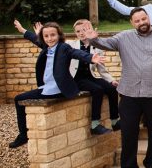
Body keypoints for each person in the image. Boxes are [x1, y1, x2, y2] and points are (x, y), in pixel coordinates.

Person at [87, 8, 152, 168]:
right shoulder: (123, 37)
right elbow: (103, 43)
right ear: (132, 23)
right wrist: (93, 38)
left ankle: (151, 164)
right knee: (129, 132)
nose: (141, 23)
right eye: (137, 21)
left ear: (149, 18)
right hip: (129, 93)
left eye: (144, 19)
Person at [8, 21, 105, 149]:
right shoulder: (46, 47)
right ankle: (23, 134)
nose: (50, 39)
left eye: (53, 35)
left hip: (59, 89)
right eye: (46, 36)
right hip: (47, 88)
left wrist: (91, 58)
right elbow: (36, 40)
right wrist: (23, 31)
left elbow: (75, 53)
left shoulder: (63, 48)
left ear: (59, 35)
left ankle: (23, 135)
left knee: (19, 99)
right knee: (18, 99)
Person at [70, 19, 119, 135]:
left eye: (84, 30)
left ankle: (114, 121)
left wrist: (111, 80)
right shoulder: (71, 45)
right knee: (97, 90)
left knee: (112, 89)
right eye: (78, 31)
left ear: (90, 30)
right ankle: (95, 124)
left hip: (90, 76)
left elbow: (101, 70)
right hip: (76, 79)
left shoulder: (97, 47)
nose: (81, 33)